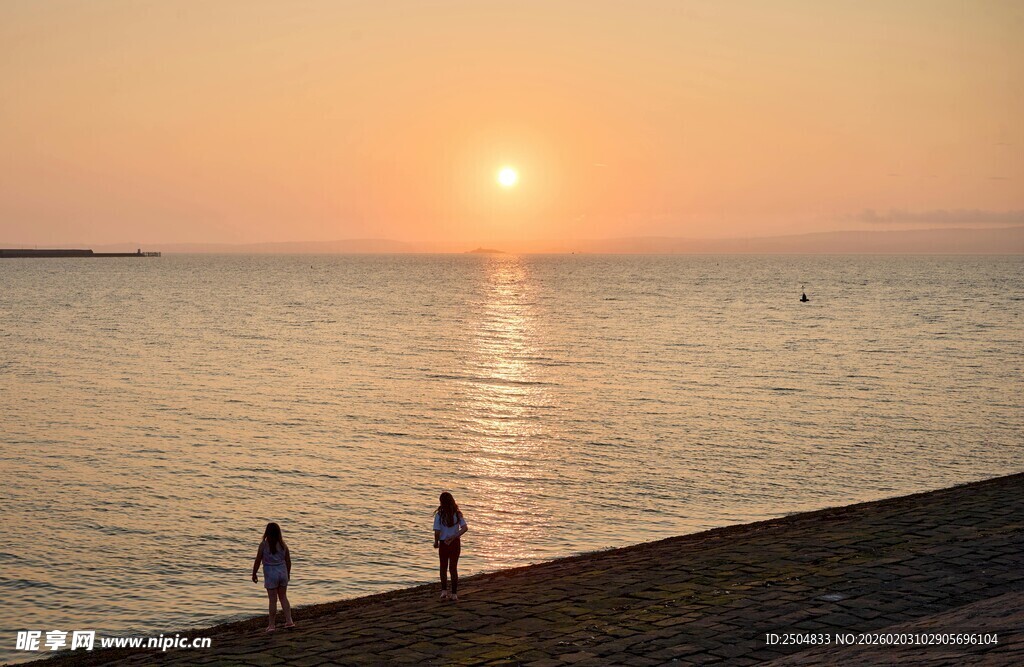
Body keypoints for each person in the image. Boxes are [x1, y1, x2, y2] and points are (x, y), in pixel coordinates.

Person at [251, 522, 294, 631]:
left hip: (271, 574)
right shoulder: (283, 545)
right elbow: (288, 561)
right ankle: (289, 621)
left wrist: (254, 573)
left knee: (272, 600)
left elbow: (257, 560)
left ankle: (271, 625)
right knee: (283, 597)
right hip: (282, 572)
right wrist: (288, 573)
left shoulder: (264, 545)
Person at [433, 492, 469, 601]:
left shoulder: (439, 515)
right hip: (455, 543)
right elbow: (464, 528)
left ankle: (444, 591)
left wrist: (436, 542)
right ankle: (454, 594)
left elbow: (437, 531)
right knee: (453, 568)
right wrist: (454, 537)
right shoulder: (457, 514)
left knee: (443, 567)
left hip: (444, 543)